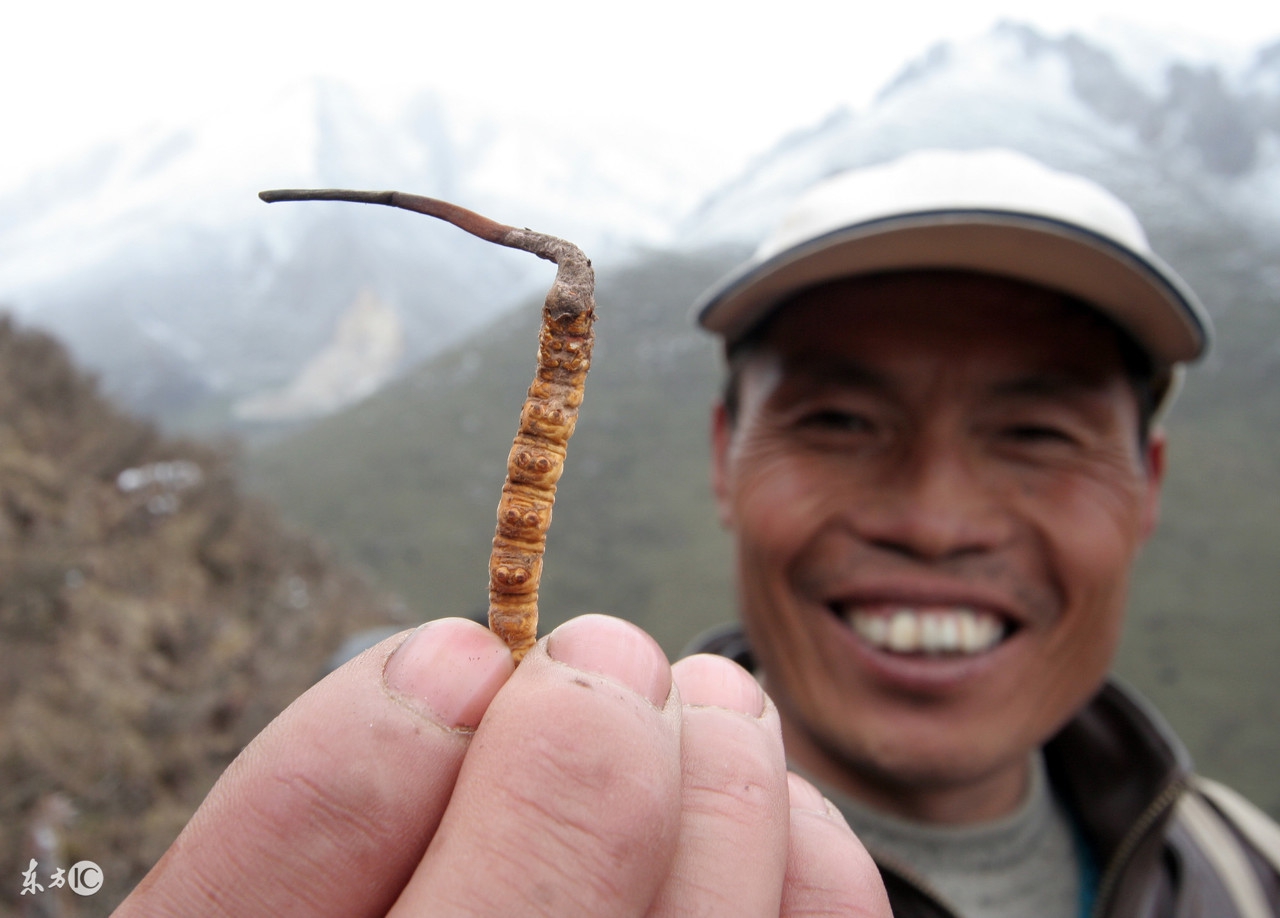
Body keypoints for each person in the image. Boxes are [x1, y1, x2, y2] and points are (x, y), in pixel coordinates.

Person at [115, 148, 1279, 917]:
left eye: (1033, 432)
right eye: (837, 417)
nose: (935, 521)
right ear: (722, 455)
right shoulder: (429, 834)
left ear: (1150, 484)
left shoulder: (1250, 874)